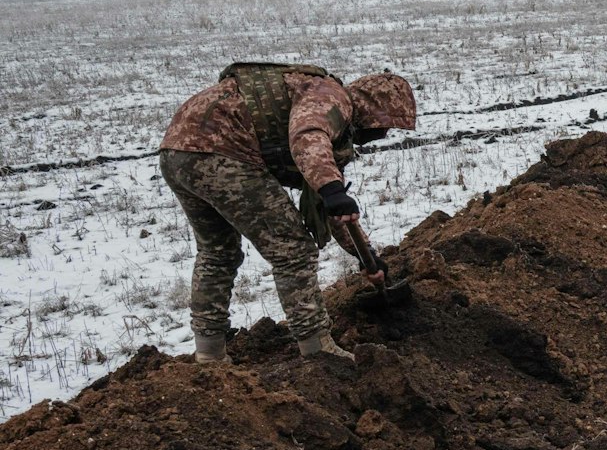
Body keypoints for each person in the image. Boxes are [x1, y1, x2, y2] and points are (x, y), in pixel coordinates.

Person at [158, 64, 417, 364]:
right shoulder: (332, 97)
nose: (382, 134)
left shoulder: (327, 128)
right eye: (384, 125)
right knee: (293, 249)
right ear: (372, 107)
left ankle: (209, 353)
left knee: (218, 252)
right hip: (223, 151)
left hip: (177, 151)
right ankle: (317, 348)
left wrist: (364, 254)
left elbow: (332, 206)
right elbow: (307, 135)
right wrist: (332, 188)